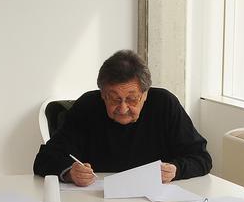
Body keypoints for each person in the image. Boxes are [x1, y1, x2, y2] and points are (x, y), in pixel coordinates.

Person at [32, 49, 211, 186]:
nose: (123, 108)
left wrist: (176, 170)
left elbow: (201, 158)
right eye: (114, 99)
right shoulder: (87, 107)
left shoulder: (164, 104)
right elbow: (44, 159)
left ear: (145, 94)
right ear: (102, 95)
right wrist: (69, 173)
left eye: (132, 99)